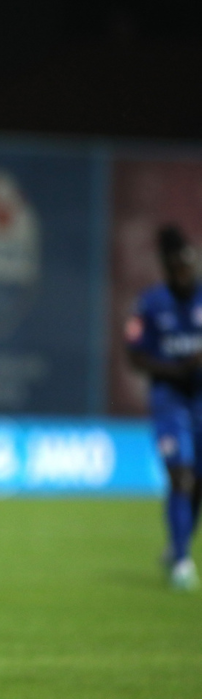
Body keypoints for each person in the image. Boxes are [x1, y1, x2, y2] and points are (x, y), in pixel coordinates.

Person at [125, 224, 202, 591]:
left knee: (196, 481)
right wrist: (179, 369)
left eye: (188, 266)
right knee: (180, 475)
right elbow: (135, 357)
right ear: (168, 269)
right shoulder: (150, 304)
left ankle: (177, 545)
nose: (185, 273)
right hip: (169, 400)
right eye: (177, 268)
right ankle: (182, 560)